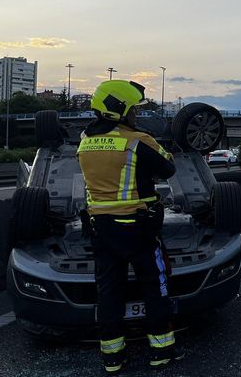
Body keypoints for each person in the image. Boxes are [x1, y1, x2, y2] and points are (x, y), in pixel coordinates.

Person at [77, 80, 181, 373]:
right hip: (138, 228)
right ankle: (161, 352)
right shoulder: (137, 140)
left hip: (101, 228)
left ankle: (113, 358)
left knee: (109, 291)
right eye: (134, 108)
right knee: (155, 287)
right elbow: (168, 168)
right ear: (119, 110)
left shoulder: (85, 141)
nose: (137, 113)